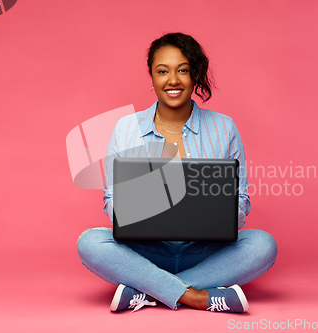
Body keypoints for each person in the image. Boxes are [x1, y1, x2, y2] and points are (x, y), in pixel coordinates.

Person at [77, 32, 277, 313]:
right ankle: (198, 297)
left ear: (195, 75)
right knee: (90, 242)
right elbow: (112, 202)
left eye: (183, 70)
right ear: (152, 77)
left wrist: (219, 214)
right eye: (163, 71)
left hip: (204, 251)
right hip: (147, 251)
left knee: (262, 245)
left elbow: (242, 200)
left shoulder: (224, 128)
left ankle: (149, 291)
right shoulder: (125, 129)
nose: (173, 80)